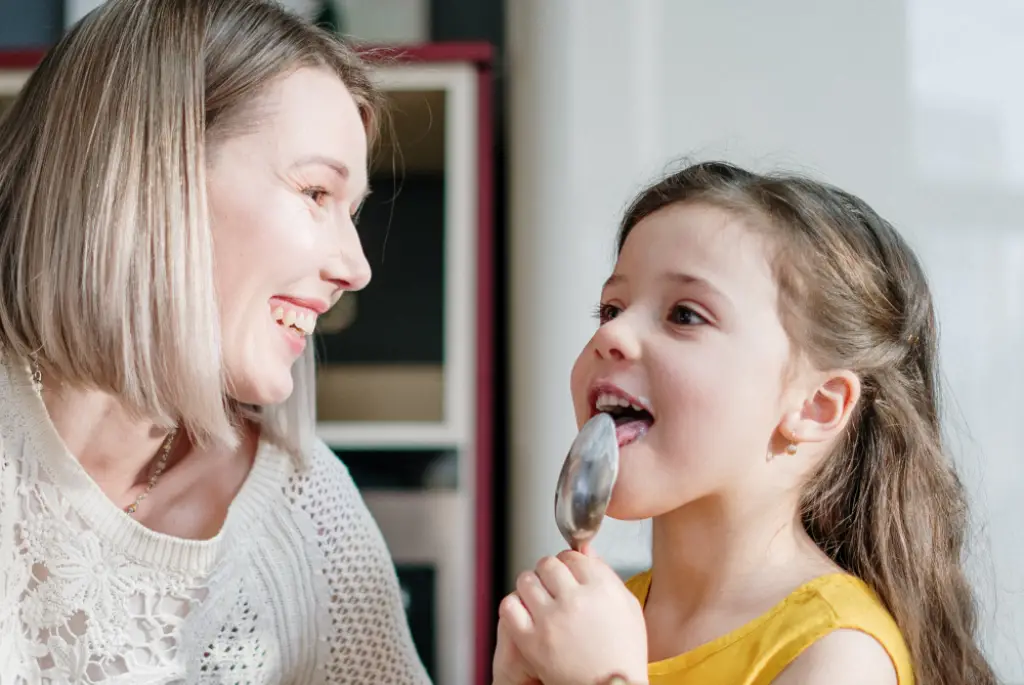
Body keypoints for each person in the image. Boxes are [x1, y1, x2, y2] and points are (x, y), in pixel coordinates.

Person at [0, 1, 430, 682]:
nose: (355, 266)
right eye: (317, 192)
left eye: (351, 213)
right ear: (148, 171)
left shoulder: (306, 514)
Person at [492, 161, 997, 685]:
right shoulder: (612, 617)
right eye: (611, 308)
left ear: (815, 406)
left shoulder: (838, 653)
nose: (612, 334)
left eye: (684, 314)